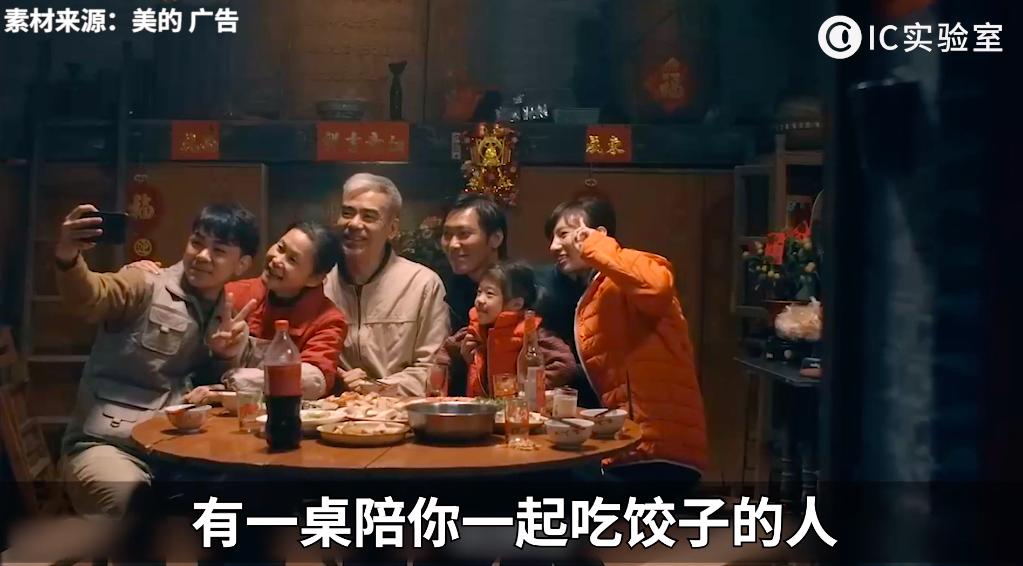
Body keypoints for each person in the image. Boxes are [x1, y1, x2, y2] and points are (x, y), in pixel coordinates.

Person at [55, 203, 259, 516]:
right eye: (197, 242)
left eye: (218, 251)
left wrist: (223, 356)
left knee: (243, 501)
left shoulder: (228, 315)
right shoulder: (145, 282)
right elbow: (91, 296)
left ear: (241, 264)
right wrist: (68, 257)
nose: (202, 256)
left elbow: (210, 394)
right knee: (132, 508)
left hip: (179, 451)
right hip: (106, 445)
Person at [539, 195, 708, 485]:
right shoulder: (596, 290)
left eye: (564, 234)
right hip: (631, 448)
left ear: (598, 234)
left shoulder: (634, 269)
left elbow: (656, 287)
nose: (554, 247)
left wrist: (596, 245)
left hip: (660, 453)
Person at [131, 221, 348, 400]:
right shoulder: (233, 293)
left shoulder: (329, 320)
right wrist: (146, 276)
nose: (276, 260)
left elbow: (313, 380)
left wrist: (232, 384)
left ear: (315, 279)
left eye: (292, 259)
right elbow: (180, 294)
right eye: (280, 247)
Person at [324, 173, 450, 397]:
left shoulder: (422, 284)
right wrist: (333, 377)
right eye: (347, 213)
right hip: (331, 410)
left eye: (369, 216)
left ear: (392, 229)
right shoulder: (318, 282)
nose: (354, 224)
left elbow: (433, 368)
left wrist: (376, 387)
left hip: (399, 411)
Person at [433, 262, 576, 397]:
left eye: (489, 294)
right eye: (479, 292)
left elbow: (565, 365)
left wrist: (529, 389)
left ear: (516, 304)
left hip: (518, 410)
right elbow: (446, 353)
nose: (480, 300)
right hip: (481, 407)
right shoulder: (473, 331)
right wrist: (445, 374)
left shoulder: (532, 334)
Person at [439, 193, 508, 394]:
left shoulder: (522, 291)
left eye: (464, 234)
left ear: (495, 238)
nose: (453, 244)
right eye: (447, 235)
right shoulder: (451, 292)